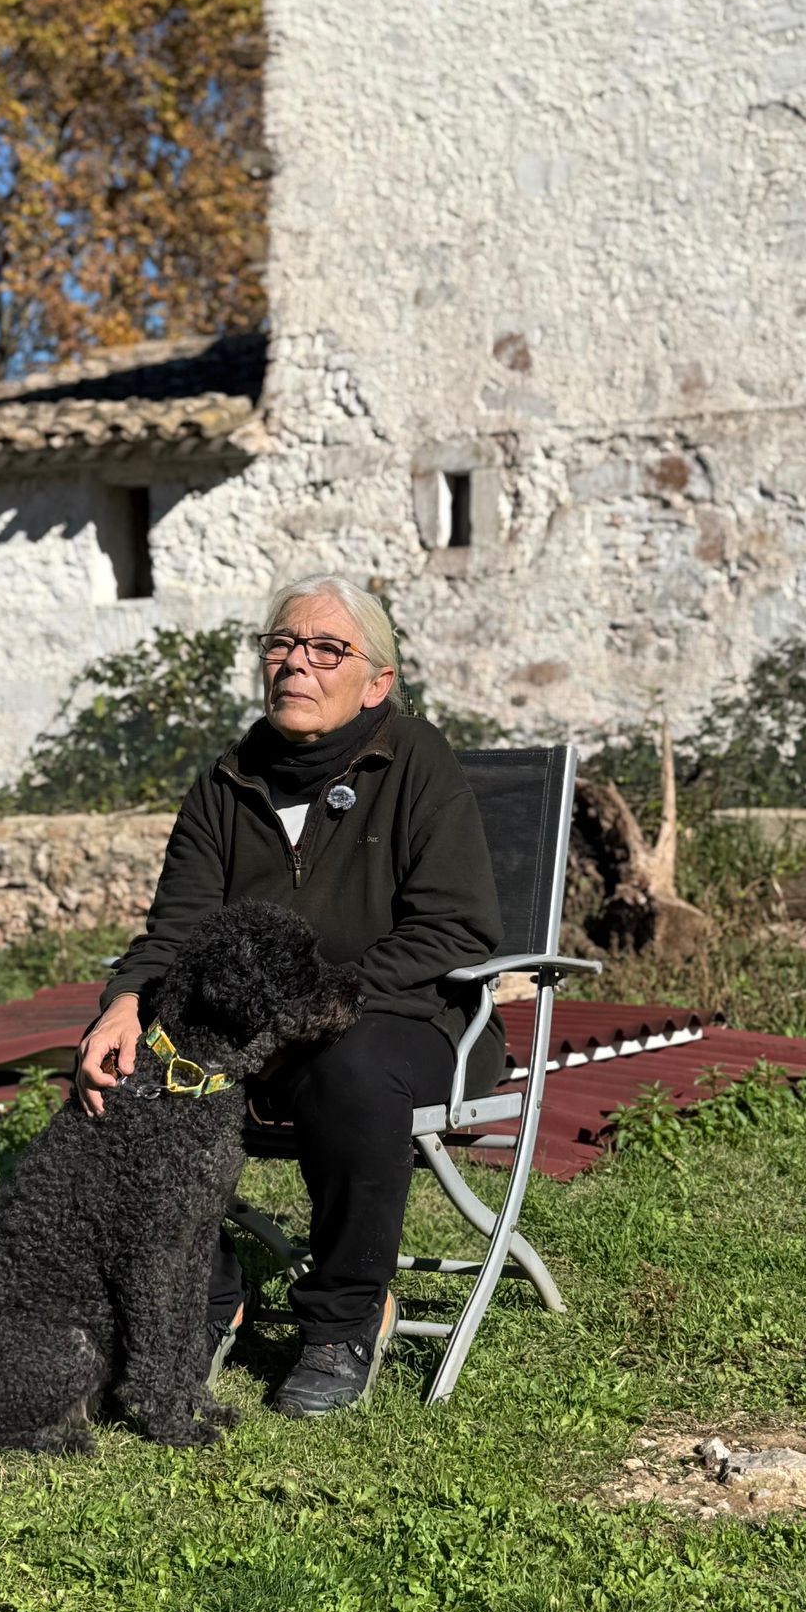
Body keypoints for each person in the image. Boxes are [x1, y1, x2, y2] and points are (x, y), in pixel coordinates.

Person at [74, 574, 503, 1417]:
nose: (296, 664)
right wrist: (124, 1003)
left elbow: (455, 931)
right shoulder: (228, 782)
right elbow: (177, 931)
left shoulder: (417, 761)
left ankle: (345, 1317)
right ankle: (206, 1290)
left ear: (376, 681)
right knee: (121, 1074)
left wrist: (316, 1003)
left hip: (407, 1023)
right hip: (249, 1034)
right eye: (281, 645)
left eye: (326, 649)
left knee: (350, 1065)